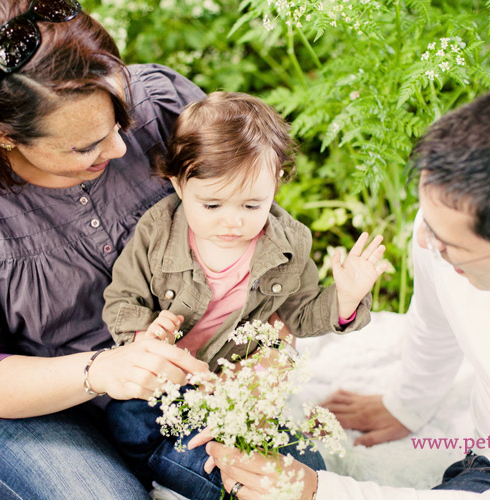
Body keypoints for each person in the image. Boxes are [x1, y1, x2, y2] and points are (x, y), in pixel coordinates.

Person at [195, 82, 490, 499]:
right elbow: (437, 322)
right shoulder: (447, 230)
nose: (425, 241)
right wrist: (407, 404)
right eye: (426, 219)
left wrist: (318, 491)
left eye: (452, 246)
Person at [0, 0, 215, 498]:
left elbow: (251, 225)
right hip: (14, 405)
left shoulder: (160, 104)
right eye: (85, 147)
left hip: (160, 374)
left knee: (282, 478)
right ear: (4, 137)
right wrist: (104, 370)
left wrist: (268, 336)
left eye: (121, 119)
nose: (121, 149)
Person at [100, 91, 389, 496]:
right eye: (213, 204)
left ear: (277, 184)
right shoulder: (157, 230)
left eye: (251, 206)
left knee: (302, 468)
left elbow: (298, 313)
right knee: (128, 421)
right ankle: (192, 469)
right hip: (165, 388)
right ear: (179, 184)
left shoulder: (288, 243)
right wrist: (144, 338)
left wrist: (345, 298)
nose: (232, 221)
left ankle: (240, 472)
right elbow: (122, 299)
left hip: (237, 393)